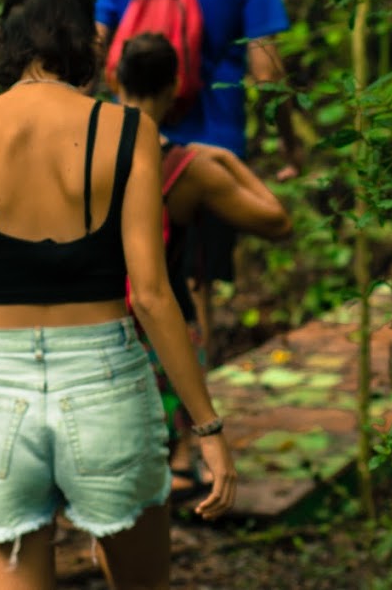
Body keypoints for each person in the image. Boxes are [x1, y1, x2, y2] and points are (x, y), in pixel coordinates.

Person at [0, 0, 236, 590]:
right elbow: (152, 297)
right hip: (106, 387)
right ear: (87, 38)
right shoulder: (130, 131)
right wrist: (206, 427)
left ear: (8, 34)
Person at [93, 0, 302, 356]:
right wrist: (285, 141)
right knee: (195, 277)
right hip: (212, 143)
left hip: (128, 139)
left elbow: (95, 41)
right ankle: (197, 401)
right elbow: (266, 69)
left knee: (126, 267)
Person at [114, 32, 292, 500]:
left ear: (115, 78)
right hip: (165, 312)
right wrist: (230, 162)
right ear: (175, 86)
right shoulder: (185, 166)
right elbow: (276, 220)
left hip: (99, 319)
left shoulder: (88, 146)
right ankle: (181, 460)